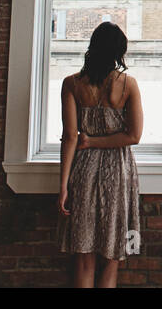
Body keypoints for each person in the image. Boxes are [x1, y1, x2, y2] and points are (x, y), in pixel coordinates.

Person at [57, 21, 144, 288]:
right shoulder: (128, 84)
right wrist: (97, 141)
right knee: (111, 257)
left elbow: (71, 137)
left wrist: (63, 187)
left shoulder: (72, 84)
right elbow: (133, 136)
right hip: (118, 171)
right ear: (119, 51)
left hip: (83, 170)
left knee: (84, 258)